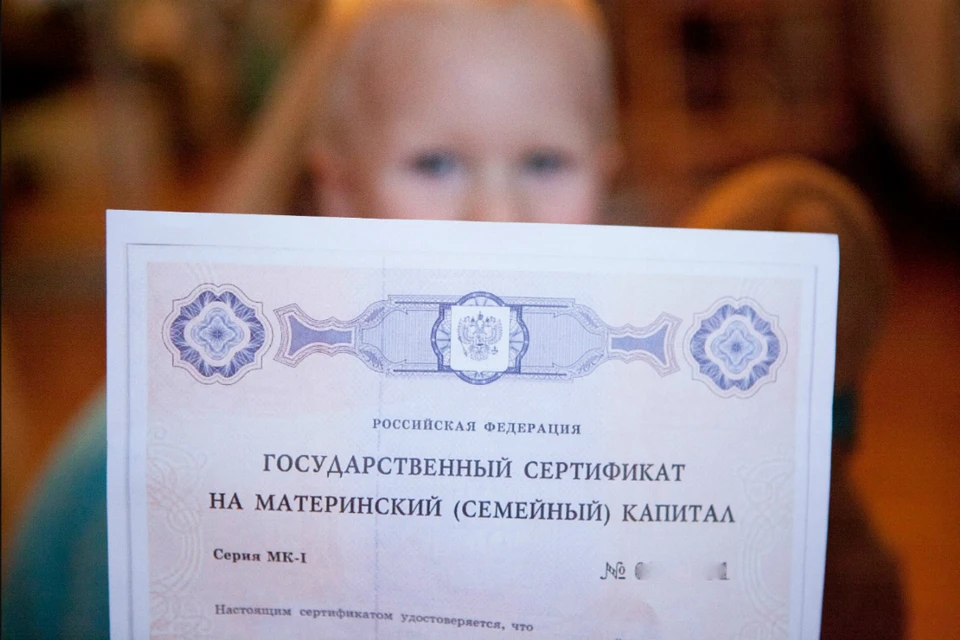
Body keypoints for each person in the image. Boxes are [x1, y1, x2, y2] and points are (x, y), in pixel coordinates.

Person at [2, 1, 620, 637]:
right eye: (435, 163)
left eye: (544, 162)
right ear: (339, 191)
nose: (498, 217)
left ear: (607, 173)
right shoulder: (148, 441)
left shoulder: (632, 407)